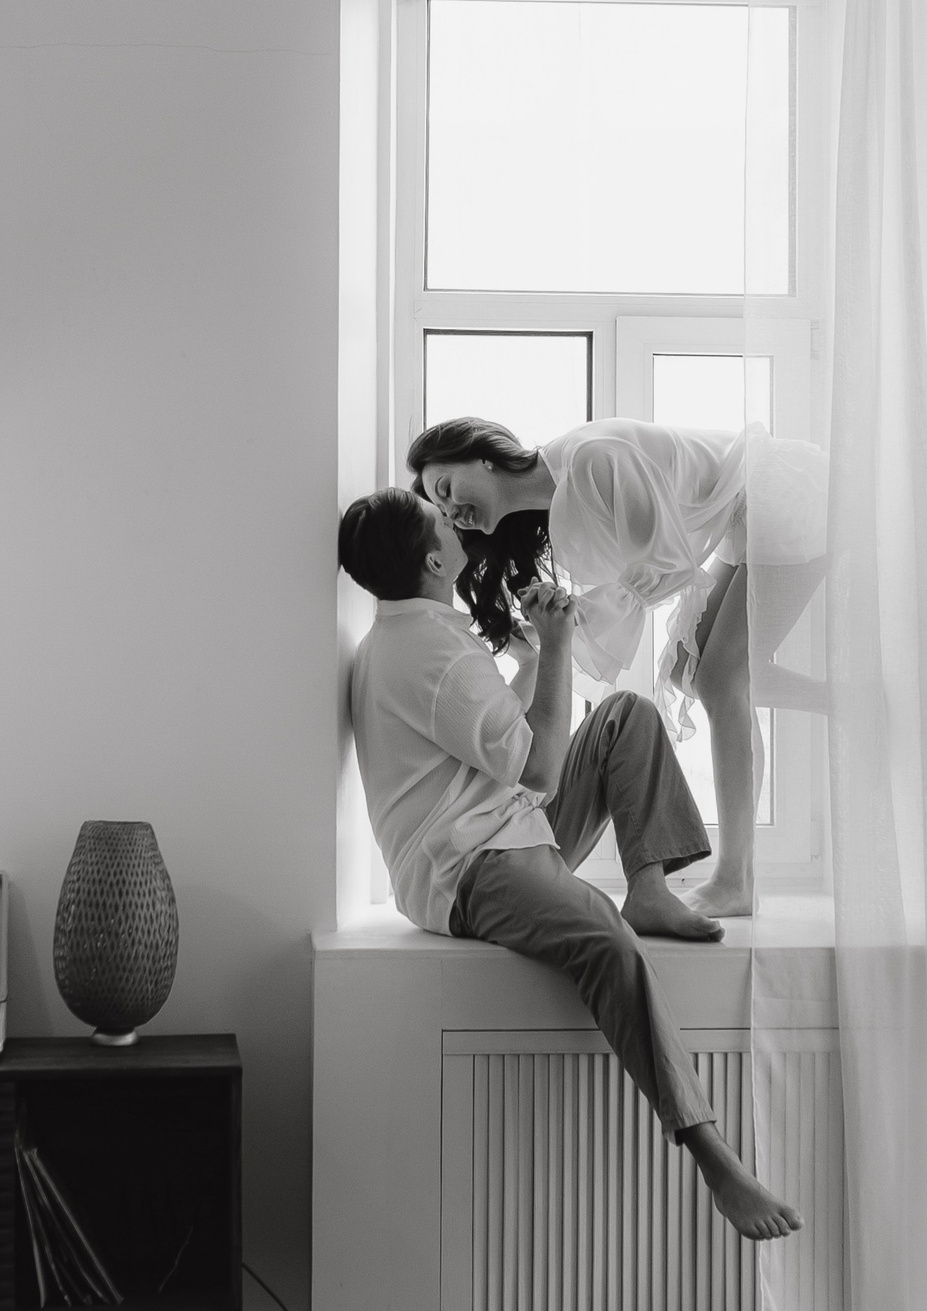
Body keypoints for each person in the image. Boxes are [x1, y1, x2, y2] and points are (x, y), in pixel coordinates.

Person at [338, 486, 801, 1246]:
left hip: (503, 826)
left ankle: (647, 889)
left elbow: (504, 749)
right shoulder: (431, 654)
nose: (454, 521)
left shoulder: (412, 637)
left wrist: (529, 658)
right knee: (606, 942)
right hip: (471, 865)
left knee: (627, 716)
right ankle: (714, 1157)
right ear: (433, 561)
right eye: (441, 520)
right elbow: (543, 768)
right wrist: (554, 648)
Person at [406, 414, 827, 920]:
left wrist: (569, 625)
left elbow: (669, 566)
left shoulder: (589, 461)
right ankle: (847, 700)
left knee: (721, 679)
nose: (452, 512)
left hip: (781, 494)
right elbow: (647, 577)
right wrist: (555, 631)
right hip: (743, 513)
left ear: (482, 457)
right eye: (443, 512)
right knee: (687, 672)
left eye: (446, 489)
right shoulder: (561, 497)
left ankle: (736, 879)